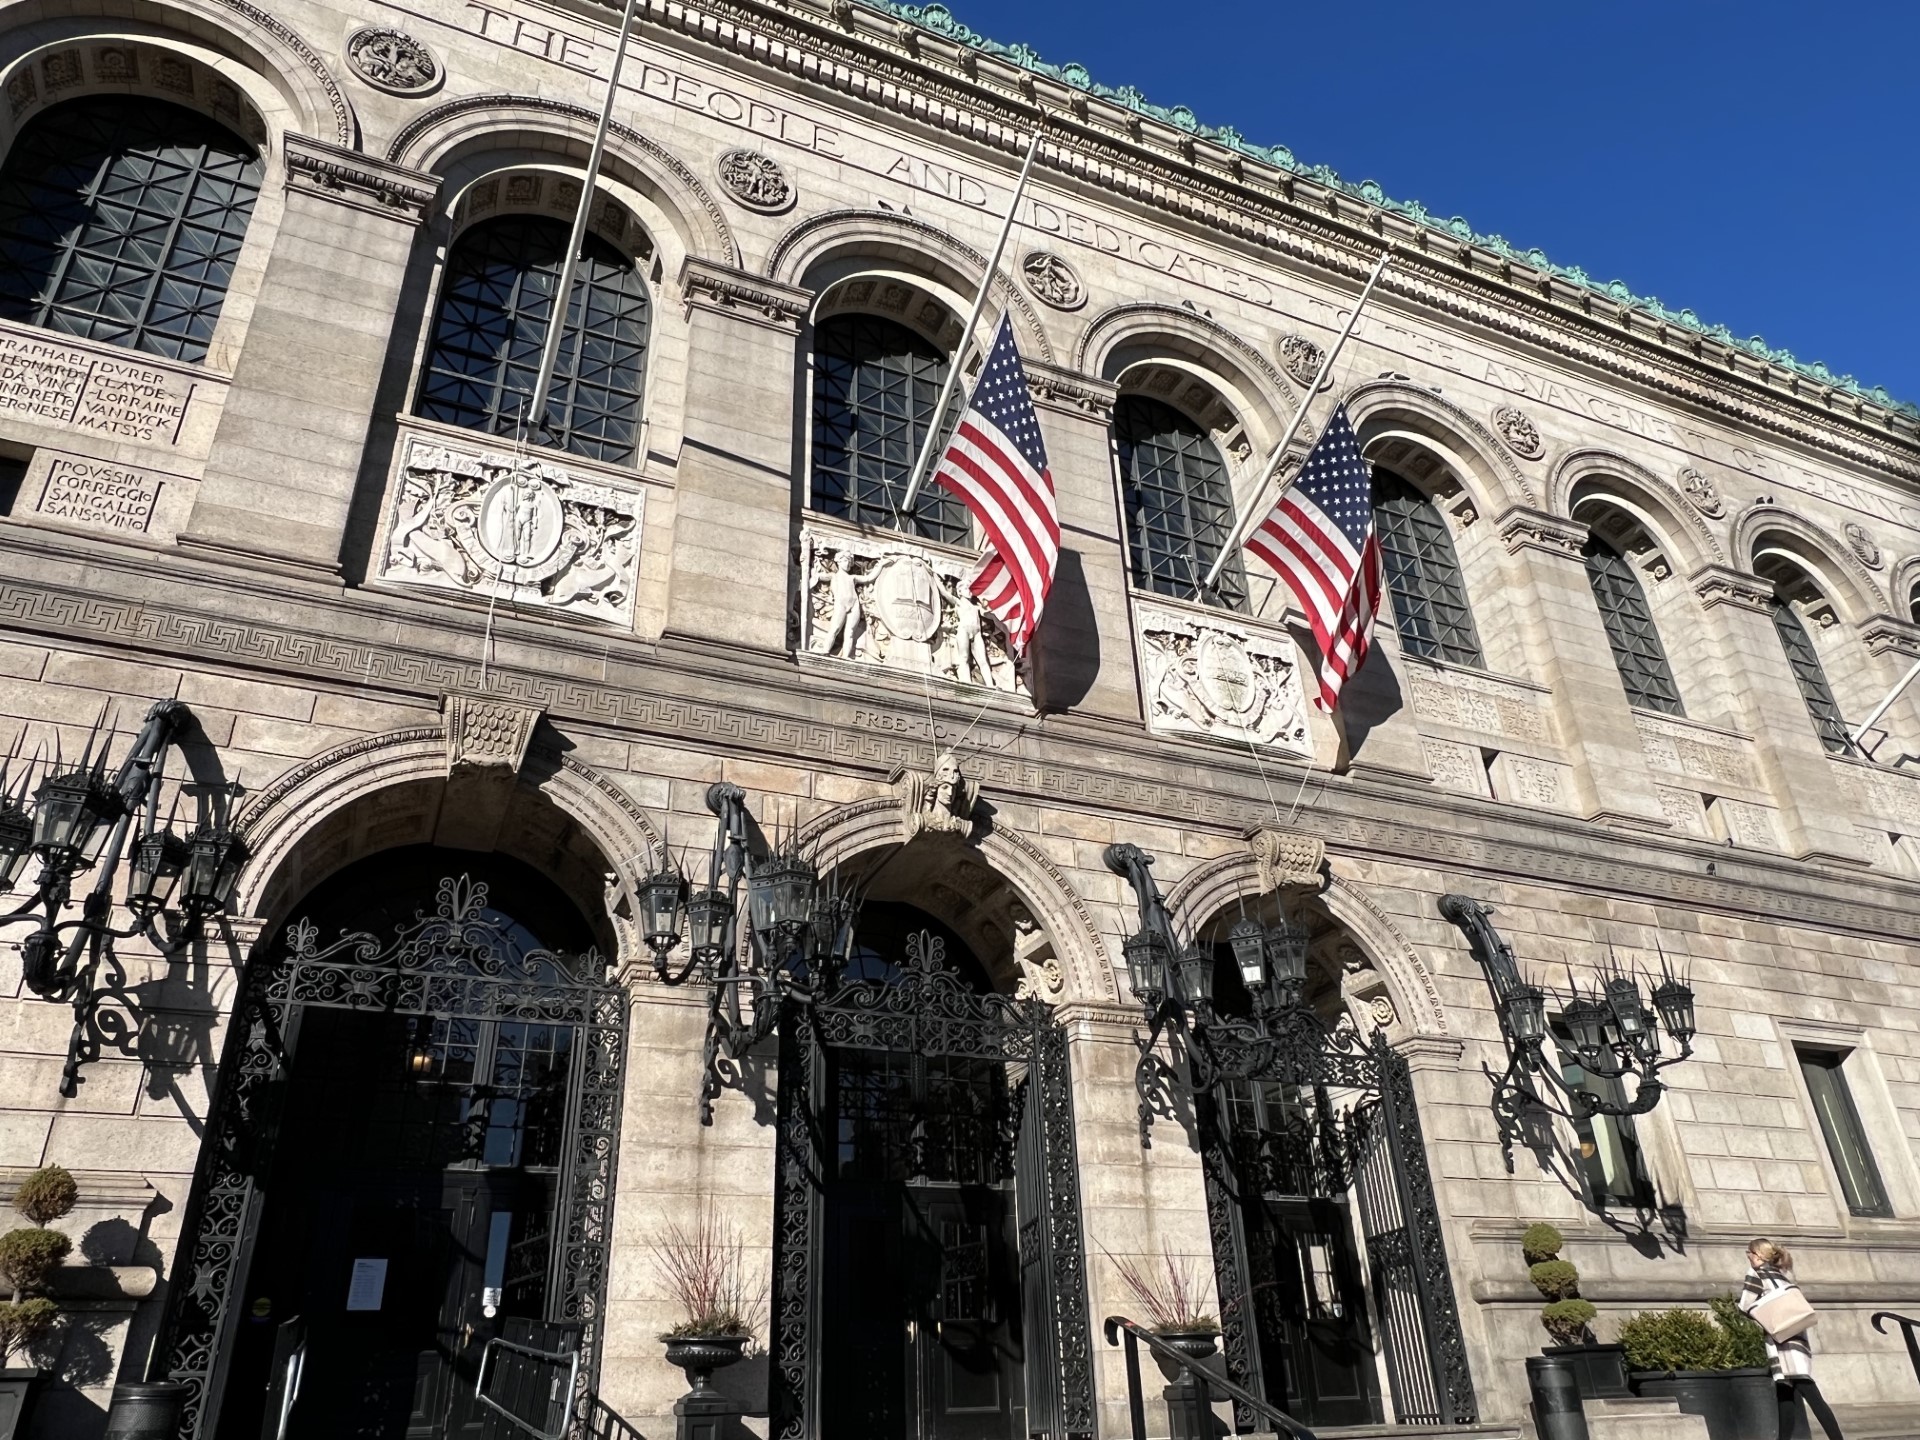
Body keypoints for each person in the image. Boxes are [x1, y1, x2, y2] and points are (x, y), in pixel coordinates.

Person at [1738, 1238, 1843, 1440]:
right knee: (1785, 1396)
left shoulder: (1756, 1274)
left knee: (1810, 1394)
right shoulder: (1782, 1276)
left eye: (1749, 1253)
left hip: (1781, 1343)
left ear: (1758, 1255)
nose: (1748, 1257)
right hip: (1798, 1339)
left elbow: (1744, 1305)